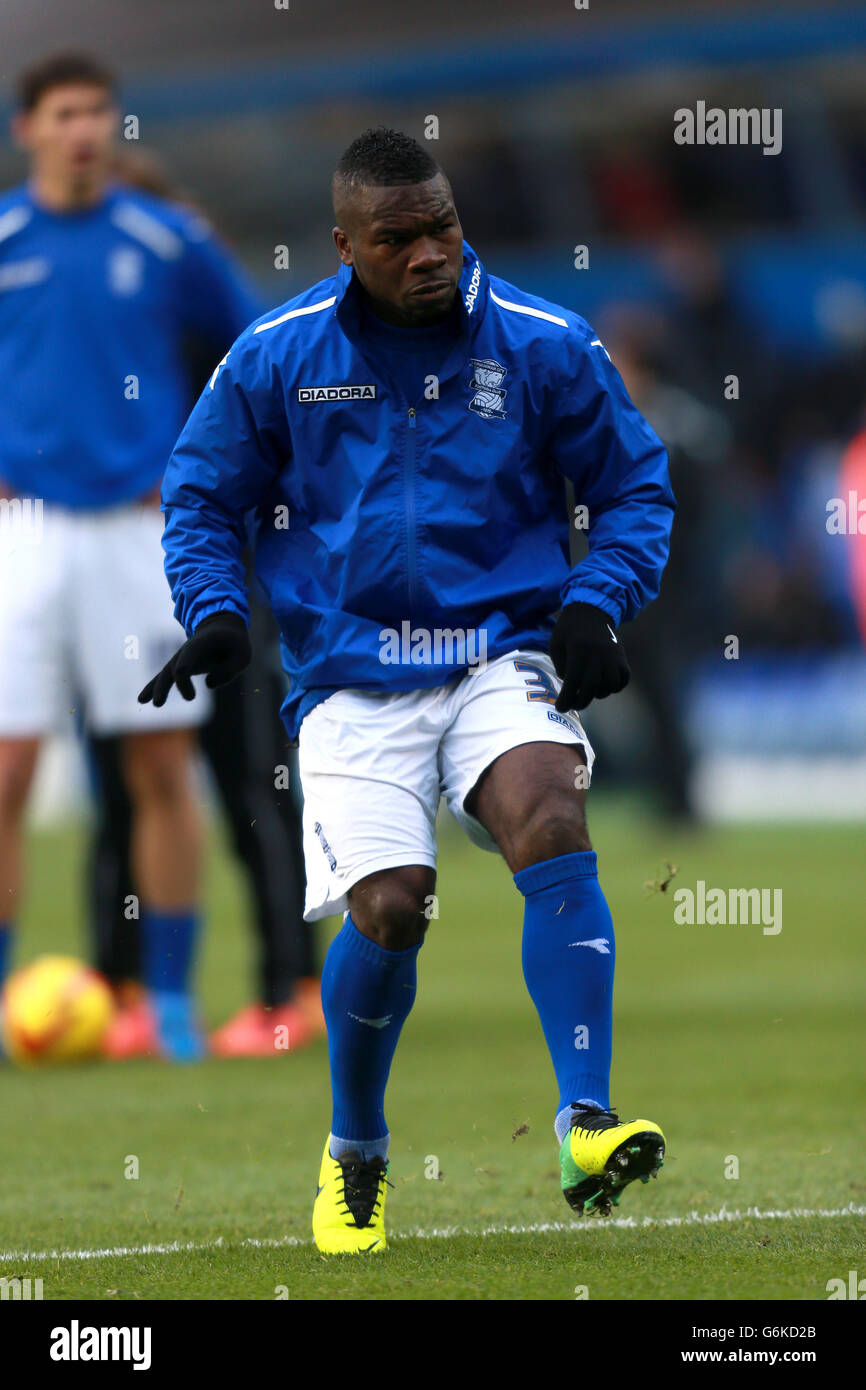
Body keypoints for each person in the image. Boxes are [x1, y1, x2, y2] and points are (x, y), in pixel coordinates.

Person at [141, 128, 675, 1251]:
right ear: (346, 245)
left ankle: (584, 1119)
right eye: (398, 238)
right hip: (348, 674)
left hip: (497, 650)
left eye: (442, 226)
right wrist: (218, 613)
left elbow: (633, 483)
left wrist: (594, 600)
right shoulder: (279, 353)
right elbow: (198, 495)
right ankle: (355, 1151)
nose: (430, 252)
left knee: (549, 815)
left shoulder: (540, 341)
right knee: (391, 908)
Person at [0, 52, 259, 1058]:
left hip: (137, 529)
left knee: (160, 763)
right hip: (21, 530)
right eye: (65, 114)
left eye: (99, 114)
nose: (84, 131)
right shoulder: (6, 236)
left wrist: (200, 472)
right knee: (10, 770)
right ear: (29, 129)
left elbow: (250, 356)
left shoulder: (165, 237)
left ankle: (172, 1005)